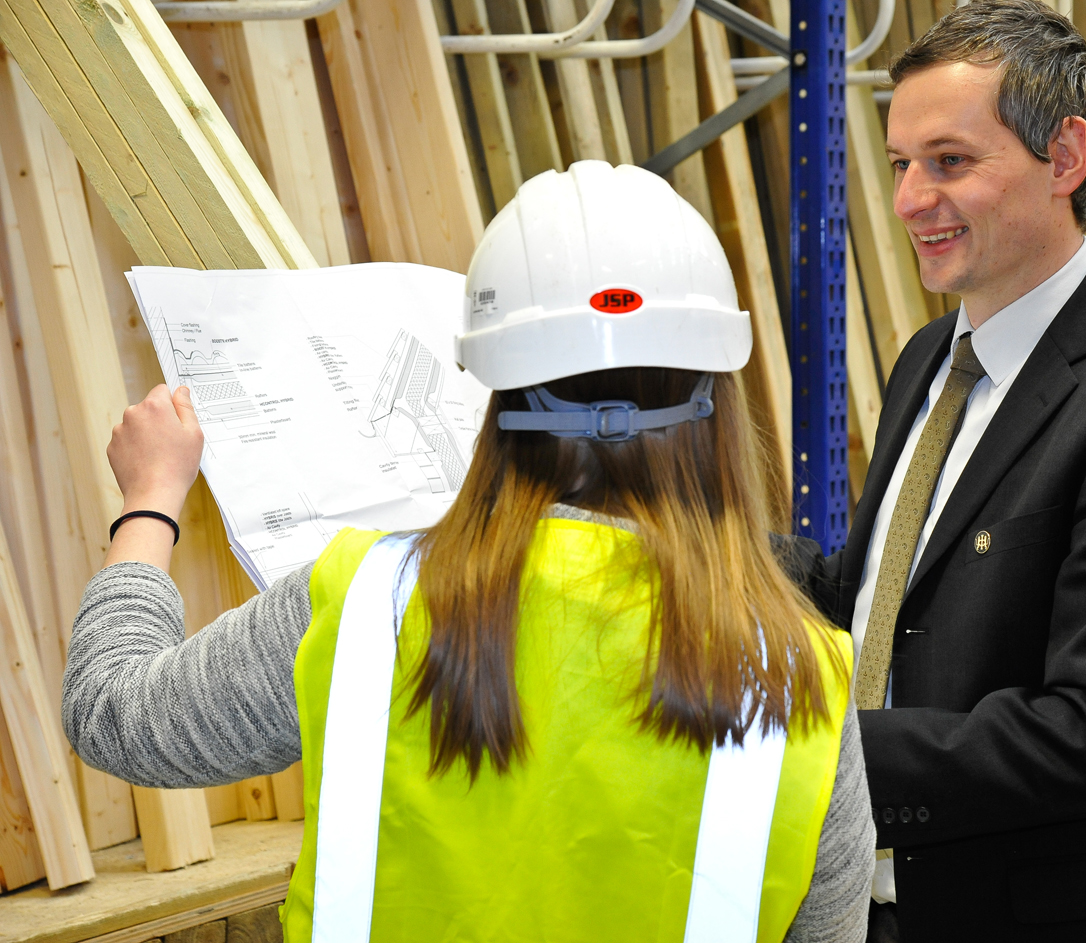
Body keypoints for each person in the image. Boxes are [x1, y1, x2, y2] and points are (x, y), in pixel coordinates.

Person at [63, 161, 875, 943]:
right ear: (719, 401)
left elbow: (111, 713)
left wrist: (151, 497)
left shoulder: (367, 605)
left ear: (492, 389)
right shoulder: (801, 678)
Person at [779, 3, 1086, 941]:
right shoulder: (928, 361)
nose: (909, 199)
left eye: (949, 161)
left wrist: (813, 757)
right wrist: (694, 553)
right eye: (900, 165)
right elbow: (878, 598)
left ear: (1063, 158)